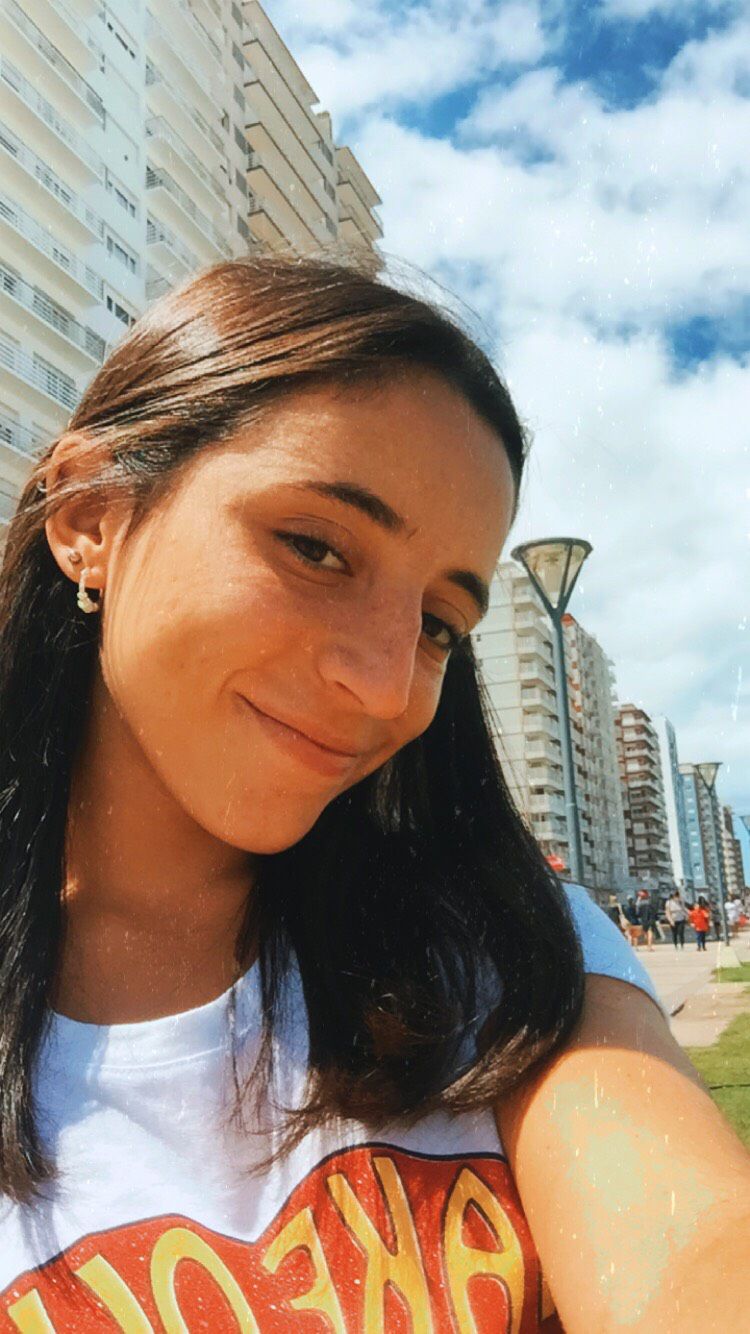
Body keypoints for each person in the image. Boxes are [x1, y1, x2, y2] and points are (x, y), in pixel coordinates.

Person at [0, 257, 747, 1331]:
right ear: (91, 517)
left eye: (439, 623)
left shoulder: (500, 954)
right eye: (316, 549)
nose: (388, 685)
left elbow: (693, 1247)